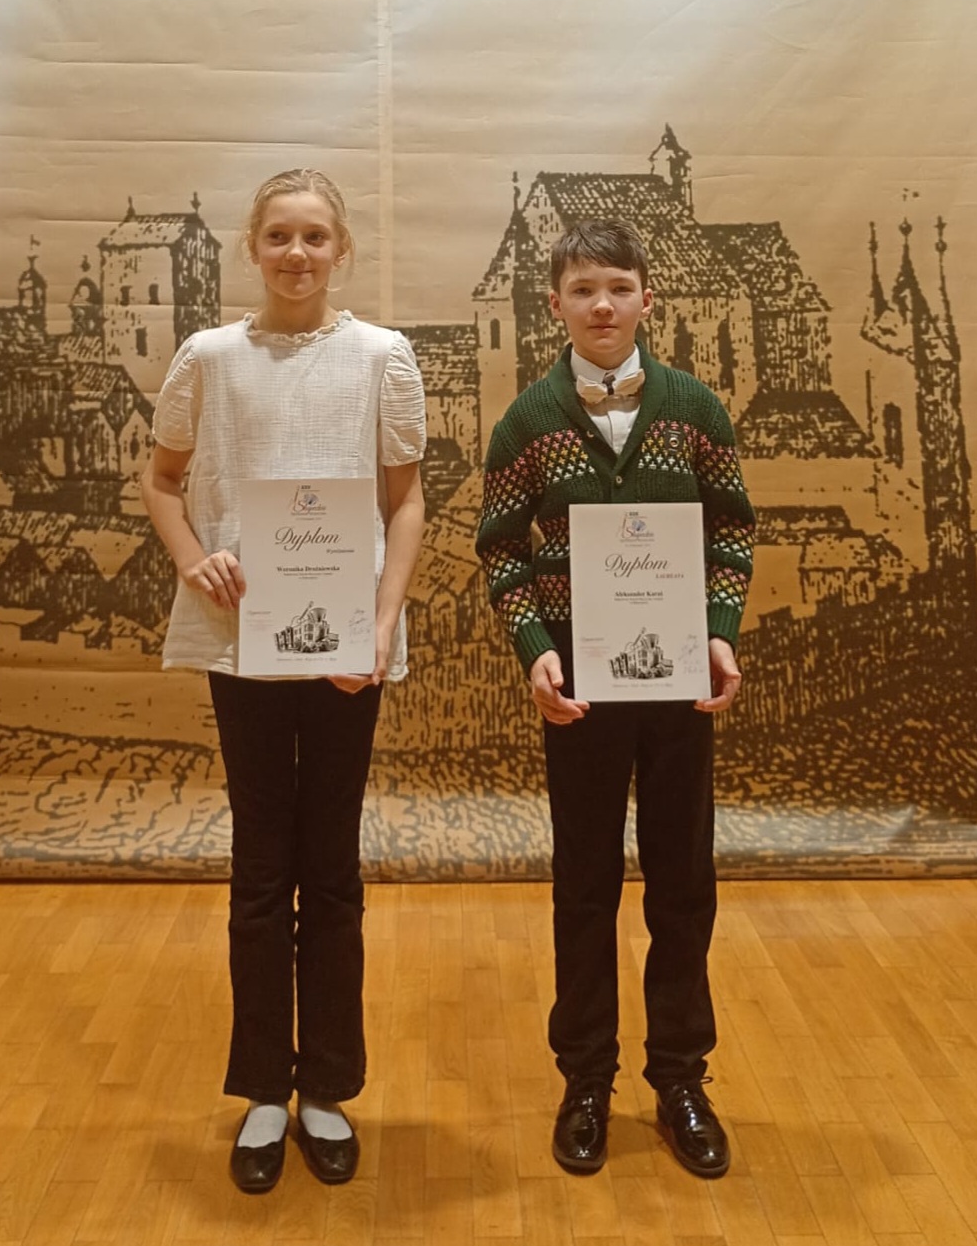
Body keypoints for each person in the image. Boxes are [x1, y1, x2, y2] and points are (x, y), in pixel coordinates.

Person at [142, 169, 426, 1195]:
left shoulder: (383, 356)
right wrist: (193, 558)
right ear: (252, 248)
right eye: (278, 236)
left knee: (333, 865)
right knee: (262, 864)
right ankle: (265, 1086)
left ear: (340, 249)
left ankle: (327, 1088)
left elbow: (406, 502)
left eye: (314, 236)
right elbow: (161, 481)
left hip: (349, 648)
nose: (296, 253)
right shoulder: (209, 357)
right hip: (243, 640)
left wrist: (381, 625)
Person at [476, 218, 754, 1179]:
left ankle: (680, 1076)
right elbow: (500, 550)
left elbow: (732, 532)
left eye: (619, 287)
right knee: (584, 886)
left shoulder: (696, 409)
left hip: (679, 691)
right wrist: (535, 652)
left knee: (684, 885)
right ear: (555, 302)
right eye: (584, 288)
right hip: (582, 697)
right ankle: (586, 1078)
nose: (603, 304)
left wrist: (719, 629)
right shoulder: (526, 422)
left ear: (646, 299)